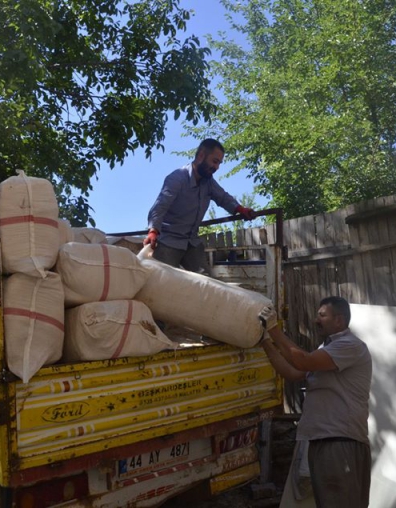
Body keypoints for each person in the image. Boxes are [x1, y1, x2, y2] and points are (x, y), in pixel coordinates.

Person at [258, 297, 372, 508]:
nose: (316, 320)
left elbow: (303, 360)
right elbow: (293, 372)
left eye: (322, 315)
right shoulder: (326, 347)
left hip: (339, 442)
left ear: (338, 320)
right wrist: (265, 341)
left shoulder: (349, 346)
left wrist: (273, 329)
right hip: (326, 440)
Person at [143, 138, 256, 273]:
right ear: (201, 156)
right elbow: (160, 206)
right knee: (164, 281)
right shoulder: (177, 178)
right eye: (214, 162)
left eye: (219, 163)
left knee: (207, 283)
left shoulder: (208, 182)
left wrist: (240, 209)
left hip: (192, 243)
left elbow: (223, 197)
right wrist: (153, 231)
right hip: (169, 241)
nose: (216, 167)